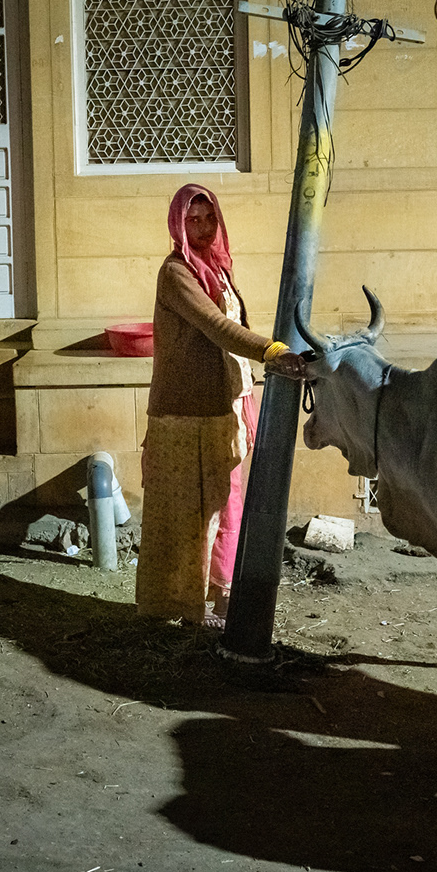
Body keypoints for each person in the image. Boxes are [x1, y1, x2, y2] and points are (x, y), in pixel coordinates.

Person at [135, 184, 303, 629]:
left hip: (224, 405)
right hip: (184, 414)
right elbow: (215, 326)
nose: (204, 227)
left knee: (226, 505)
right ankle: (186, 604)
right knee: (188, 514)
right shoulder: (176, 272)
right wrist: (271, 350)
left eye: (210, 218)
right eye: (194, 220)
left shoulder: (219, 269)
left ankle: (221, 592)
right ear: (178, 225)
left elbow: (232, 324)